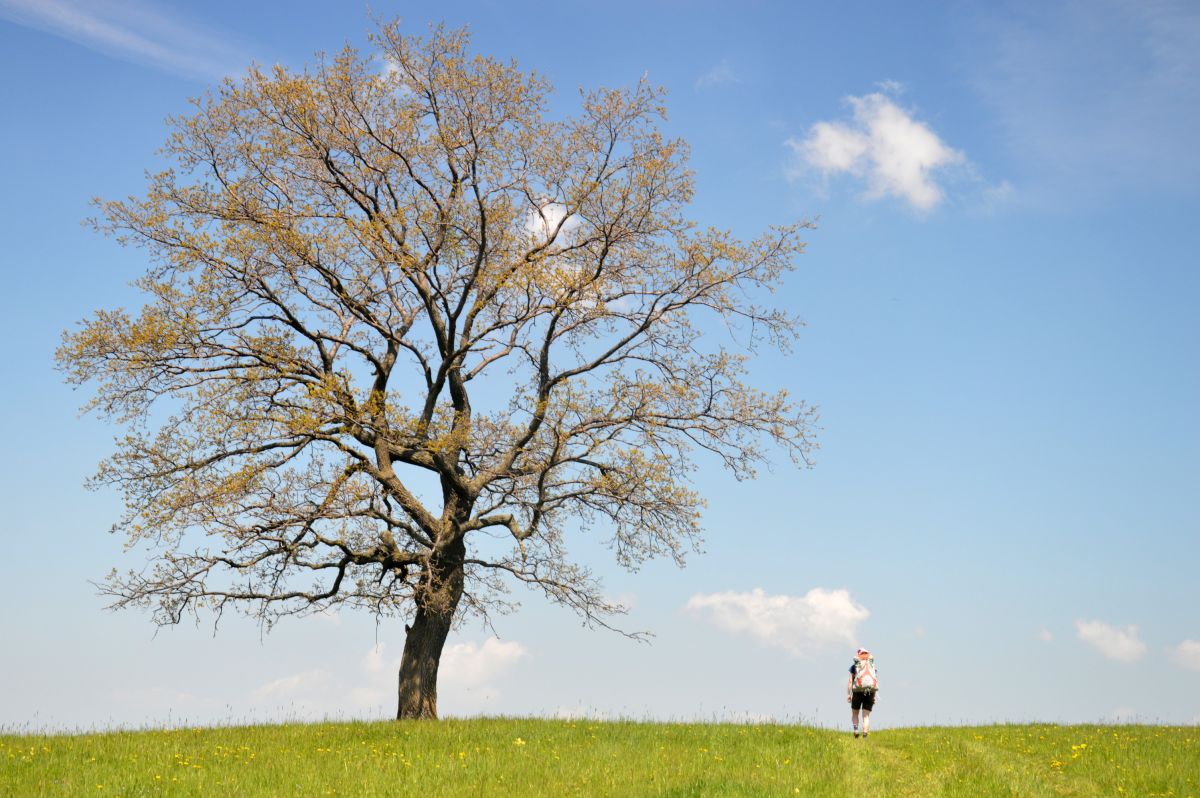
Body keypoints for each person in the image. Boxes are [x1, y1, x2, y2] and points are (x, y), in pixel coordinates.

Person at [846, 647, 877, 738]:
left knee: (855, 713)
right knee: (866, 716)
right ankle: (865, 735)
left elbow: (850, 681)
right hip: (869, 692)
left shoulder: (854, 666)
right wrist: (874, 696)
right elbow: (874, 682)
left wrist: (849, 694)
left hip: (857, 691)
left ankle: (856, 730)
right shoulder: (872, 666)